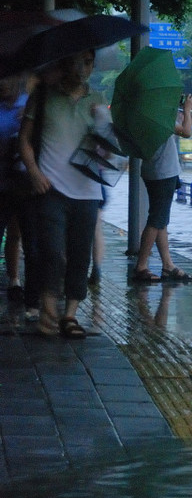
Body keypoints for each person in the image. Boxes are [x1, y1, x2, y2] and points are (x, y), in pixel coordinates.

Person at [17, 49, 107, 339]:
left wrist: (102, 124)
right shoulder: (44, 97)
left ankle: (70, 314)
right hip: (51, 187)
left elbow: (109, 153)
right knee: (51, 251)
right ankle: (46, 306)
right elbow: (25, 140)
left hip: (87, 190)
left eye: (89, 62)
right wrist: (33, 171)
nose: (84, 68)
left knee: (80, 255)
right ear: (65, 62)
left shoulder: (99, 100)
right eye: (78, 60)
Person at [129, 93, 192, 283]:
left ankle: (168, 265)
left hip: (153, 170)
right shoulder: (157, 116)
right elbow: (187, 132)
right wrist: (188, 110)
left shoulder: (143, 115)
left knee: (161, 220)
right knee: (156, 220)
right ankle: (141, 266)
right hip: (163, 172)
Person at [0, 75, 28, 300]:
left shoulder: (28, 105)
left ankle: (15, 279)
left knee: (17, 231)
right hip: (2, 177)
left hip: (21, 178)